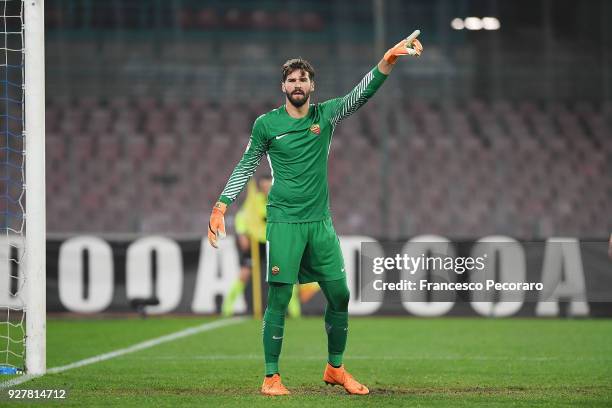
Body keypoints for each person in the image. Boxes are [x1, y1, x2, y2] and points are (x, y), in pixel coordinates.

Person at [208, 32, 423, 396]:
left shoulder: (326, 114)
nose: (297, 84)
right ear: (282, 87)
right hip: (284, 222)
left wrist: (388, 60)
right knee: (278, 298)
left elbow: (360, 95)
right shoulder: (267, 125)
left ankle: (335, 369)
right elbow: (246, 164)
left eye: (302, 79)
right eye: (291, 80)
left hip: (320, 222)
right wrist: (221, 205)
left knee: (339, 295)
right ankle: (271, 377)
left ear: (311, 86)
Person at [222, 175, 301, 318]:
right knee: (245, 272)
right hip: (256, 243)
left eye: (269, 186)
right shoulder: (254, 202)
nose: (267, 189)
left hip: (275, 242)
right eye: (264, 187)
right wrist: (241, 234)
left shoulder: (281, 201)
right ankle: (228, 305)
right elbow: (241, 217)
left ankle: (294, 310)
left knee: (285, 273)